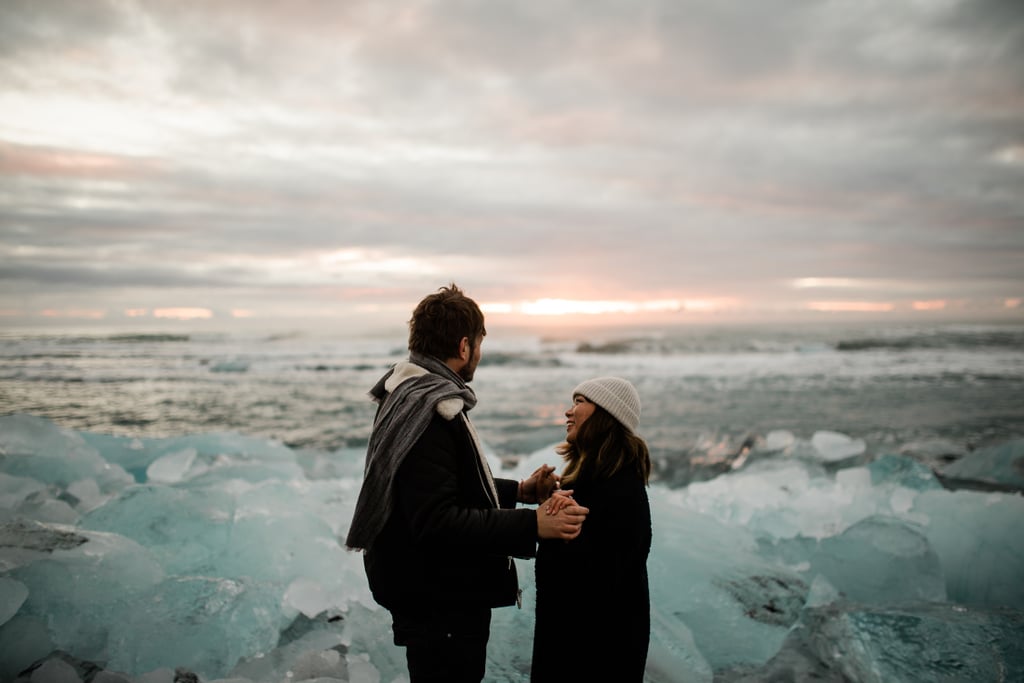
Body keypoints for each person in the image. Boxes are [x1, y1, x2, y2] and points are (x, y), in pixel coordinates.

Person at [345, 283, 590, 683]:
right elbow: (436, 520)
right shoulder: (429, 410)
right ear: (464, 347)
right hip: (440, 599)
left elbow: (435, 485)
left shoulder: (407, 394)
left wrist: (519, 492)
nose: (478, 353)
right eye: (477, 344)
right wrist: (534, 526)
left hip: (427, 591)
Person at [531, 376, 653, 682]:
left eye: (579, 402)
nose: (568, 412)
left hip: (595, 656)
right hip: (581, 647)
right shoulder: (593, 482)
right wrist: (548, 502)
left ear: (606, 414)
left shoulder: (618, 488)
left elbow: (588, 580)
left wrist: (549, 516)